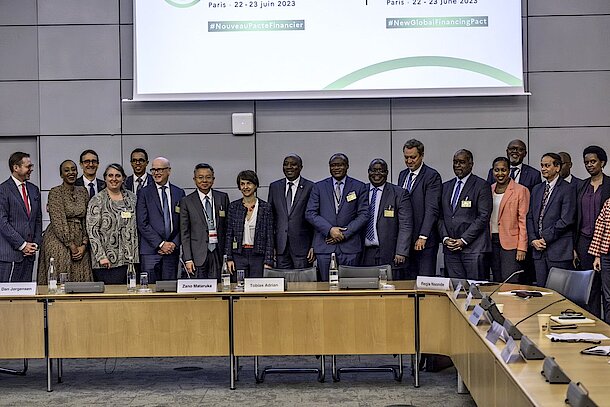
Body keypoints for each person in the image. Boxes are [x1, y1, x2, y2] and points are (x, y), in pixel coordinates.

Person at [305, 153, 368, 281]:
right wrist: (330, 230)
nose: (336, 168)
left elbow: (364, 214)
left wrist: (344, 234)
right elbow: (310, 213)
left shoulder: (359, 186)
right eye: (333, 165)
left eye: (340, 165)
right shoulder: (319, 187)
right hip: (325, 247)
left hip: (350, 247)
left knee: (350, 286)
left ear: (347, 166)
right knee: (325, 287)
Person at [440, 149, 492, 280]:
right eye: (455, 162)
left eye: (462, 162)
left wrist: (463, 240)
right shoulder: (446, 186)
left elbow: (483, 216)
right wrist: (445, 238)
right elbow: (440, 216)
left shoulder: (481, 185)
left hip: (473, 249)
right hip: (451, 249)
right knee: (456, 288)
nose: (457, 165)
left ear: (471, 164)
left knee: (475, 288)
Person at [37, 160, 92, 284]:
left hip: (80, 239)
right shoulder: (55, 192)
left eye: (73, 169)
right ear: (61, 175)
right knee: (61, 276)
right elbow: (58, 221)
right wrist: (71, 245)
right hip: (59, 239)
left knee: (81, 278)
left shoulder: (83, 191)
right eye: (66, 170)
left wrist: (84, 245)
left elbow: (87, 219)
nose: (71, 173)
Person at [526, 153, 576, 286]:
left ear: (557, 167)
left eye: (547, 166)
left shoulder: (568, 188)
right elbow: (530, 216)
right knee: (542, 291)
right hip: (538, 251)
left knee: (559, 291)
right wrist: (533, 240)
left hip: (558, 251)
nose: (543, 169)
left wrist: (544, 238)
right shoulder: (537, 189)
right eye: (542, 165)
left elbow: (566, 220)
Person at [397, 139, 442, 278]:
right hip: (406, 240)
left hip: (424, 240)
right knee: (407, 281)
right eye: (406, 157)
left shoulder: (431, 176)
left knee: (424, 280)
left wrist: (423, 236)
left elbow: (432, 209)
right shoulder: (402, 175)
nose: (409, 161)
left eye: (413, 157)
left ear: (422, 155)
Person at [86, 163, 138, 284]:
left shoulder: (132, 198)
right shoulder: (97, 200)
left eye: (118, 176)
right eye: (110, 175)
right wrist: (101, 256)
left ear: (123, 178)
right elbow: (92, 231)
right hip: (106, 262)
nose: (114, 179)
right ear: (105, 178)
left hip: (130, 260)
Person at [136, 157, 185, 282]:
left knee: (169, 289)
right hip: (150, 251)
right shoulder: (144, 193)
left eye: (160, 170)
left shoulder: (179, 193)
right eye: (153, 170)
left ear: (169, 171)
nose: (156, 173)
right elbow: (142, 223)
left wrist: (174, 243)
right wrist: (161, 244)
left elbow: (183, 223)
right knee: (149, 289)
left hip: (171, 251)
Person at [362, 158, 413, 279]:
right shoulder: (361, 191)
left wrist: (401, 251)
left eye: (381, 170)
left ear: (387, 173)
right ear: (368, 172)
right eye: (373, 170)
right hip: (364, 253)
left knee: (390, 287)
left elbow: (406, 224)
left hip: (390, 253)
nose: (377, 174)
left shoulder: (399, 193)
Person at [575, 146, 610, 317]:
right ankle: (594, 321)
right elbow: (575, 216)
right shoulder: (581, 185)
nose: (589, 165)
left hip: (605, 242)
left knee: (607, 287)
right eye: (586, 162)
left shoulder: (609, 184)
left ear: (602, 162)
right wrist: (574, 246)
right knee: (590, 287)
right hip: (584, 241)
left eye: (593, 161)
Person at [180, 163, 230, 279]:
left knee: (219, 286)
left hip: (218, 252)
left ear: (213, 179)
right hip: (197, 255)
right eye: (200, 177)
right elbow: (184, 233)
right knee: (199, 287)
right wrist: (188, 259)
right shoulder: (187, 201)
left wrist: (228, 255)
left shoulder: (222, 197)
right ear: (194, 179)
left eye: (208, 177)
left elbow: (227, 228)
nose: (204, 180)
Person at [0, 152, 43, 282]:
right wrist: (22, 245)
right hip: (10, 256)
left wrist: (35, 244)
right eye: (28, 166)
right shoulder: (3, 190)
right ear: (16, 168)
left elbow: (37, 219)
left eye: (31, 166)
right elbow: (2, 222)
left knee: (26, 293)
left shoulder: (34, 189)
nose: (31, 169)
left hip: (29, 256)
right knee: (8, 293)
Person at [268, 154, 315, 269]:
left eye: (293, 164)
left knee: (302, 280)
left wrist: (314, 246)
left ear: (300, 167)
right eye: (286, 164)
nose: (289, 167)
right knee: (283, 280)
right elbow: (270, 219)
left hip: (303, 248)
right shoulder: (274, 187)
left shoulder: (310, 187)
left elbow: (314, 219)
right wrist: (271, 247)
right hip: (280, 247)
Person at [225, 170, 274, 278]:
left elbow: (270, 236)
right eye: (242, 184)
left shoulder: (265, 207)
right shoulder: (233, 207)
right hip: (239, 255)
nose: (245, 187)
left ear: (255, 185)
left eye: (249, 183)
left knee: (257, 286)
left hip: (258, 256)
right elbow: (229, 234)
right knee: (239, 285)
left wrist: (268, 260)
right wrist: (229, 258)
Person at [489, 157, 530, 282]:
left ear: (509, 171)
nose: (500, 173)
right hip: (491, 241)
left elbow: (523, 221)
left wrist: (522, 247)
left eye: (503, 170)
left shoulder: (521, 190)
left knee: (509, 281)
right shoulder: (489, 189)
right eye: (497, 170)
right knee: (496, 280)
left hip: (511, 243)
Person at [589, 197, 610, 324]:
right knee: (608, 296)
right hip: (606, 255)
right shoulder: (608, 203)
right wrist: (597, 256)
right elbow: (599, 227)